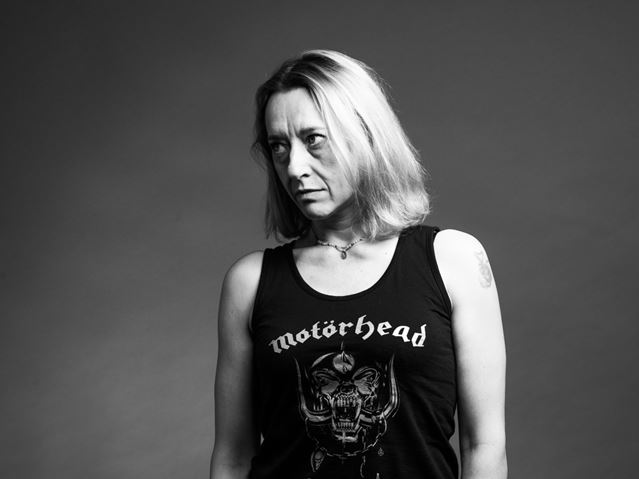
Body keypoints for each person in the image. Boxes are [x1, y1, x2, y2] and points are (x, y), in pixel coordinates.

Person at [210, 50, 507, 479]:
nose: (294, 167)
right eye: (278, 147)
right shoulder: (250, 282)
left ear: (365, 134)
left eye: (314, 139)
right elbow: (233, 458)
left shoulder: (454, 260)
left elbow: (485, 446)